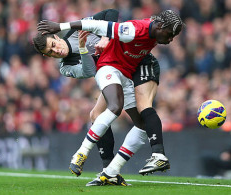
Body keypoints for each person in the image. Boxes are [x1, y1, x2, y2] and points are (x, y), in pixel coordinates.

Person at [36, 9, 183, 185]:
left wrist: (108, 36)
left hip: (136, 61)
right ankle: (109, 171)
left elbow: (110, 14)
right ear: (47, 56)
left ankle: (141, 158)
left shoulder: (78, 31)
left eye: (53, 44)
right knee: (97, 115)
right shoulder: (65, 67)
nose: (56, 51)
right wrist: (83, 49)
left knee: (140, 112)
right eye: (51, 53)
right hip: (115, 68)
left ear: (57, 37)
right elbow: (90, 71)